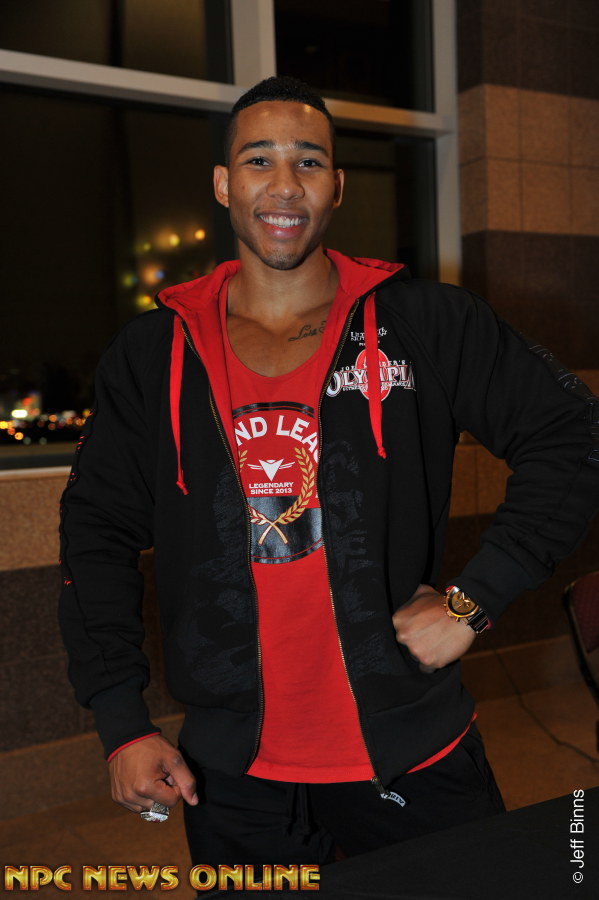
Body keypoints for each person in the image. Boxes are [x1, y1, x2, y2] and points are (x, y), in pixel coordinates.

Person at [59, 76, 599, 880]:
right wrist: (121, 722)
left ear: (337, 186)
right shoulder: (152, 353)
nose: (284, 185)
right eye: (258, 160)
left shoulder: (424, 323)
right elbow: (94, 531)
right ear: (223, 184)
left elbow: (572, 433)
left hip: (412, 748)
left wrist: (471, 600)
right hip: (232, 777)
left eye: (307, 162)